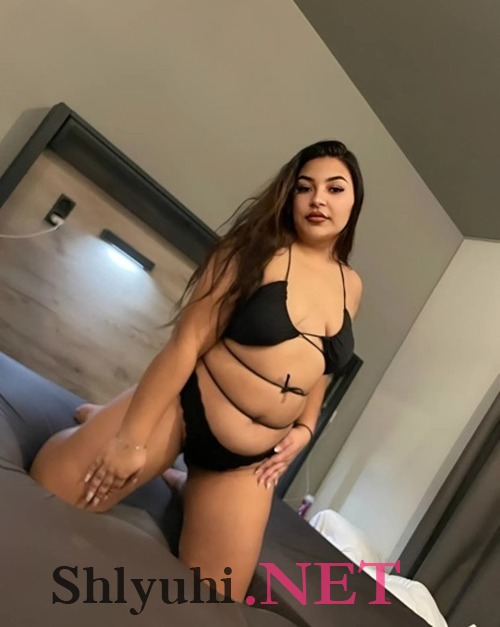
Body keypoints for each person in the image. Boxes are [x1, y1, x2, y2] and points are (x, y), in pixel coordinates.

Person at [30, 139, 364, 602]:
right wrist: (129, 441)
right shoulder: (253, 252)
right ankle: (107, 419)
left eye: (335, 188)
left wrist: (306, 428)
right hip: (189, 407)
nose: (318, 200)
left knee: (216, 596)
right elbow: (185, 344)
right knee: (55, 487)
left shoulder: (351, 285)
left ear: (354, 201)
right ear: (290, 196)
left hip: (250, 460)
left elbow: (323, 369)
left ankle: (190, 484)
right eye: (305, 188)